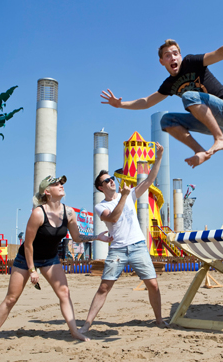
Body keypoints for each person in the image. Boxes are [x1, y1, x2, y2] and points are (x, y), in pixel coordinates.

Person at [101, 13, 223, 168]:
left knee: (188, 96)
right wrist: (120, 105)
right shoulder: (169, 84)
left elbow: (219, 54)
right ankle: (200, 151)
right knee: (166, 120)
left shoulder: (192, 62)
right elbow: (147, 102)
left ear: (181, 56)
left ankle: (219, 139)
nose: (173, 58)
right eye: (167, 56)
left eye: (175, 54)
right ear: (161, 61)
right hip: (212, 122)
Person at [0, 175, 112, 345]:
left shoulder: (69, 212)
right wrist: (32, 270)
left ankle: (74, 331)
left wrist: (97, 237)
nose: (61, 185)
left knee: (64, 293)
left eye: (61, 183)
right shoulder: (38, 213)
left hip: (50, 258)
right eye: (56, 184)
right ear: (47, 192)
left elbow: (76, 237)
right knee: (11, 298)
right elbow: (28, 244)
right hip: (26, 259)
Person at [79, 142, 166, 333]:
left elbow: (149, 180)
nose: (112, 181)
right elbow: (113, 217)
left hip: (138, 245)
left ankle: (159, 320)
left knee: (153, 283)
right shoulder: (101, 206)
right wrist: (124, 197)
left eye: (111, 178)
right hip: (118, 249)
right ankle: (87, 324)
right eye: (107, 180)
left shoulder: (128, 193)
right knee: (104, 287)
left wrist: (158, 158)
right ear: (101, 187)